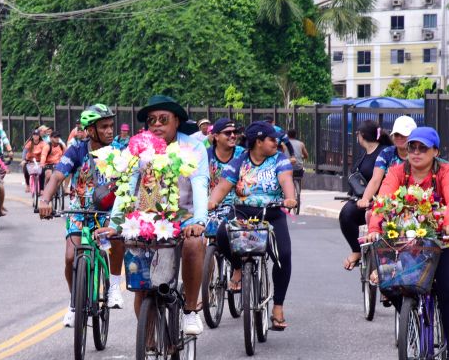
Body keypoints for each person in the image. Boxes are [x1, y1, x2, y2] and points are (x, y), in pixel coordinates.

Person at [103, 95, 210, 335]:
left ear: (177, 122)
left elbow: (200, 185)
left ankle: (191, 311)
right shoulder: (138, 146)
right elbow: (126, 188)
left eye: (163, 119)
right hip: (148, 218)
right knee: (143, 285)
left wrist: (200, 222)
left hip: (185, 218)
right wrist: (115, 224)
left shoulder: (193, 147)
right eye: (152, 121)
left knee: (194, 245)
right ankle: (149, 341)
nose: (157, 125)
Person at [365, 126, 449, 360]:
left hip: (443, 238)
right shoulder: (397, 171)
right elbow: (383, 199)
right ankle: (413, 320)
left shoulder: (446, 171)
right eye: (412, 147)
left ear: (435, 151)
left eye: (423, 148)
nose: (417, 153)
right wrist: (375, 227)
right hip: (406, 238)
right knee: (392, 285)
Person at [39, 105, 126, 325]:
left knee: (113, 241)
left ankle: (114, 286)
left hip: (105, 214)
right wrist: (45, 200)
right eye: (103, 127)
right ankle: (74, 303)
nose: (109, 130)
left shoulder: (118, 151)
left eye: (111, 126)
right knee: (70, 257)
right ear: (90, 130)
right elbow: (58, 176)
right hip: (79, 210)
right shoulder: (76, 150)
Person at [208, 121, 298, 329]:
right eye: (271, 139)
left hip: (272, 215)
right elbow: (223, 186)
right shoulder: (239, 161)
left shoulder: (279, 160)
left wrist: (290, 198)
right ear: (258, 142)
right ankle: (238, 267)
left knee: (283, 255)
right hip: (241, 213)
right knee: (222, 235)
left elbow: (286, 181)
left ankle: (277, 307)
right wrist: (212, 201)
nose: (276, 142)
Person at [340, 120, 392, 270]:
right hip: (363, 200)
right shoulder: (363, 155)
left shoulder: (385, 153)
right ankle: (356, 250)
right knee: (346, 215)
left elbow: (375, 180)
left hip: (383, 199)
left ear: (361, 135)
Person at [356, 116, 417, 209]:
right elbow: (375, 180)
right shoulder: (386, 153)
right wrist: (365, 199)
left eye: (403, 135)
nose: (399, 137)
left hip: (416, 200)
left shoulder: (419, 154)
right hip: (389, 201)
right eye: (396, 134)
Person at [24, 129, 49, 195]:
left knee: (42, 172)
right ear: (32, 136)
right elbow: (25, 151)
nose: (35, 136)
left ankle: (41, 189)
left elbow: (45, 152)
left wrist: (43, 162)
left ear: (39, 136)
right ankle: (27, 185)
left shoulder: (43, 143)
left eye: (37, 135)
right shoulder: (29, 143)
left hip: (39, 161)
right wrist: (23, 160)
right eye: (34, 135)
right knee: (25, 168)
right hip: (30, 161)